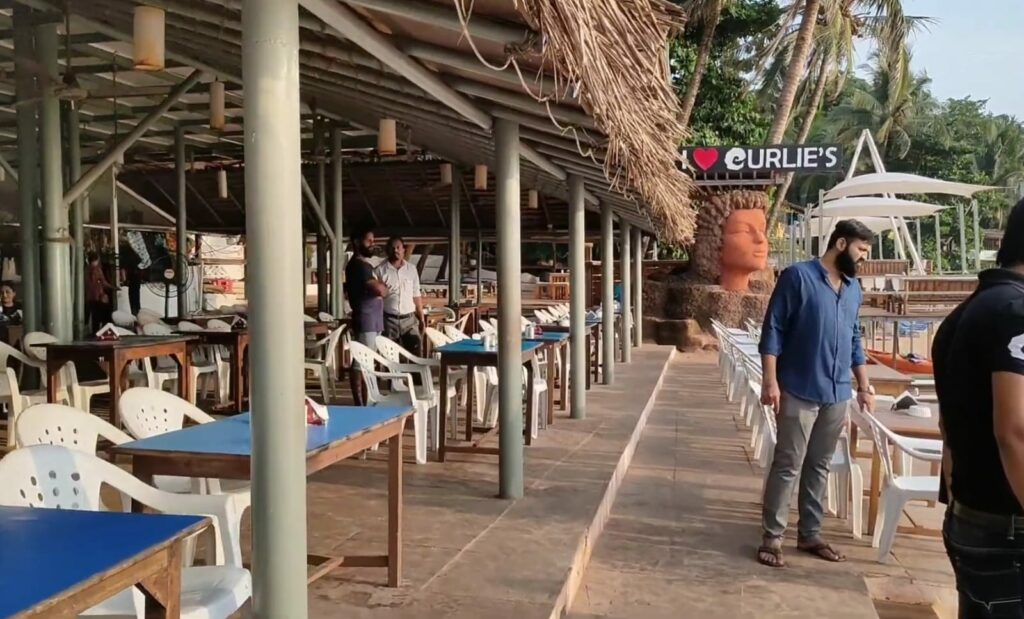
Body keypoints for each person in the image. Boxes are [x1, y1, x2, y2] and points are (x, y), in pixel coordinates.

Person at [756, 219, 875, 568]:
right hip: (798, 387)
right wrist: (770, 381)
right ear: (841, 244)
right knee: (788, 463)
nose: (863, 258)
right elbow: (773, 330)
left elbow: (855, 339)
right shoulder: (798, 277)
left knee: (819, 465)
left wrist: (864, 386)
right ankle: (772, 536)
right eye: (861, 250)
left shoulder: (853, 288)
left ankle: (810, 534)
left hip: (837, 392)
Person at [932, 198, 1024, 618]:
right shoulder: (1015, 313)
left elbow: (948, 427)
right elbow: (1014, 431)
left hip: (971, 517)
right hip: (1006, 528)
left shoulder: (963, 312)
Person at [345, 227, 386, 406]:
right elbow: (379, 289)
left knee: (368, 361)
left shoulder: (366, 266)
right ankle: (359, 403)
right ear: (356, 242)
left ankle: (367, 399)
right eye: (368, 241)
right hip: (366, 318)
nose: (372, 244)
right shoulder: (359, 266)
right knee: (361, 361)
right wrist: (381, 287)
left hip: (374, 320)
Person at [375, 236, 425, 356]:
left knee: (416, 354)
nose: (395, 251)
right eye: (392, 248)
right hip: (389, 320)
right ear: (387, 250)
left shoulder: (411, 269)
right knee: (389, 356)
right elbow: (376, 298)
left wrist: (421, 317)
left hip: (409, 320)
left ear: (403, 249)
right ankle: (392, 375)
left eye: (398, 248)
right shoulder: (380, 270)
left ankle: (416, 375)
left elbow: (416, 293)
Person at [85, 252, 114, 332]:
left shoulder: (86, 270)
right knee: (103, 315)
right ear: (96, 260)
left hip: (90, 297)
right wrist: (112, 287)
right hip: (98, 297)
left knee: (95, 317)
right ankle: (102, 332)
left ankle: (94, 332)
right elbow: (103, 282)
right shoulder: (97, 270)